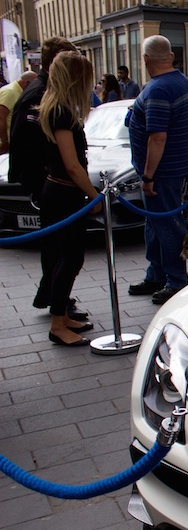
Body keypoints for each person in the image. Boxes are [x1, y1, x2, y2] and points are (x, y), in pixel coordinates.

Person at [12, 37, 87, 321]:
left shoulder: (51, 98)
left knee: (64, 255)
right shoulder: (46, 99)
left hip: (54, 183)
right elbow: (69, 163)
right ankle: (57, 312)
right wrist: (92, 195)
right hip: (56, 185)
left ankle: (58, 306)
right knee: (64, 256)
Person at [36, 51, 101, 346]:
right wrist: (93, 195)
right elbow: (72, 165)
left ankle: (61, 317)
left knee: (70, 256)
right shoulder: (61, 112)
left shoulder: (57, 108)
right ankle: (57, 324)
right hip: (64, 193)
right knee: (70, 257)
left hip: (60, 191)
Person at [127, 35, 188, 305]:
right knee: (156, 224)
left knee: (166, 225)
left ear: (145, 59)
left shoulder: (158, 89)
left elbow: (158, 137)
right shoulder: (179, 82)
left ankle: (175, 279)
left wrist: (148, 175)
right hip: (172, 167)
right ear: (171, 56)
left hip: (162, 171)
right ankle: (156, 273)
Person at [0, 70, 37, 153]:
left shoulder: (19, 91)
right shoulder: (10, 92)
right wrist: (4, 141)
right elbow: (1, 117)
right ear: (27, 83)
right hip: (5, 144)